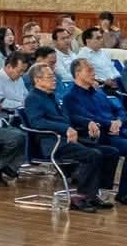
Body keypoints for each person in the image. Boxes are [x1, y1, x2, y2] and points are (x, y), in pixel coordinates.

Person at [65, 59, 127, 206]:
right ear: (77, 74)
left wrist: (119, 121)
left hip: (120, 129)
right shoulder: (71, 97)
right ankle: (125, 194)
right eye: (89, 70)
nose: (93, 73)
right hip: (102, 135)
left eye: (93, 70)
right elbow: (86, 117)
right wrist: (110, 124)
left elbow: (119, 109)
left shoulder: (98, 93)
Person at [22, 65, 110, 210]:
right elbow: (37, 122)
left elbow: (68, 118)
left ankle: (93, 194)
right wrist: (65, 128)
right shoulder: (33, 98)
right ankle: (81, 197)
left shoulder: (51, 96)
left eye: (54, 76)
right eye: (50, 77)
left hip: (67, 138)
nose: (54, 80)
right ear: (37, 80)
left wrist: (87, 122)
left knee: (109, 152)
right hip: (52, 142)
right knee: (93, 155)